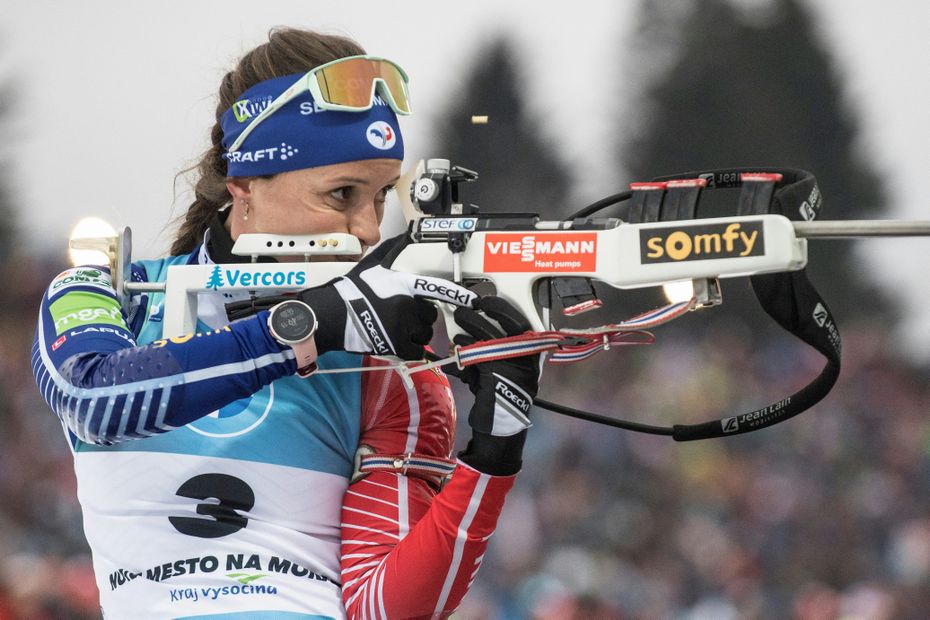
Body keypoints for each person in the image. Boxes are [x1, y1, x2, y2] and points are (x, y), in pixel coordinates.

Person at [32, 28, 540, 619]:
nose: (368, 231)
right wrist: (303, 328)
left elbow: (380, 610)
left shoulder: (386, 367)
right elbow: (92, 396)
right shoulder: (113, 294)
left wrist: (494, 456)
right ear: (243, 184)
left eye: (379, 199)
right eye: (341, 194)